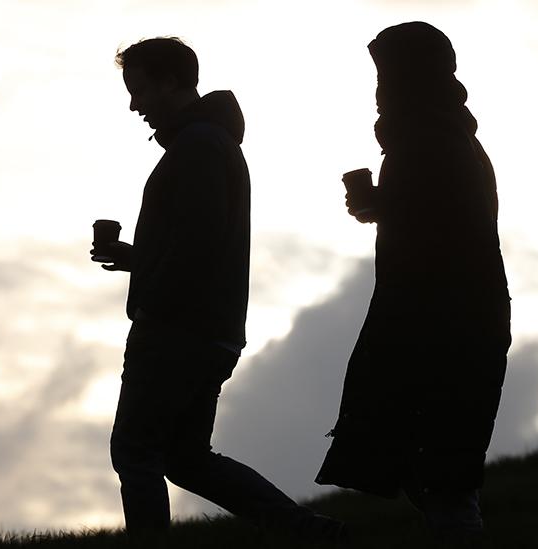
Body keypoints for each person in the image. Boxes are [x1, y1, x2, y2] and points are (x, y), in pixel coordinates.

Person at [91, 37, 343, 543]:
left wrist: (153, 306)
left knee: (136, 451)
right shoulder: (208, 143)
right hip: (207, 328)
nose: (134, 104)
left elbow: (197, 245)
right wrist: (137, 260)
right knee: (185, 457)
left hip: (177, 330)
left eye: (139, 90)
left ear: (170, 82)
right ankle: (307, 531)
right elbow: (198, 242)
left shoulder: (199, 146)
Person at [315, 22, 512, 546]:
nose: (379, 89)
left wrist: (388, 207)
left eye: (387, 75)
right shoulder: (444, 136)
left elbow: (440, 237)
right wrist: (385, 207)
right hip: (456, 321)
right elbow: (439, 218)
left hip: (441, 328)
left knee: (440, 475)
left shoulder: (428, 140)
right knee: (433, 469)